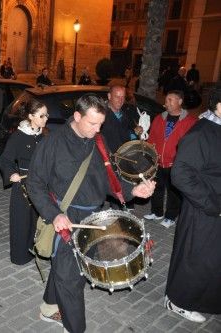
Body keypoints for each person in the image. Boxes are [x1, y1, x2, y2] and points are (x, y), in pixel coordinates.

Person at [26, 94, 155, 332]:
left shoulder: (98, 140)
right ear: (77, 116)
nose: (97, 129)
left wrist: (134, 190)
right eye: (92, 123)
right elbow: (34, 183)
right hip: (66, 217)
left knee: (68, 269)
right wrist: (54, 214)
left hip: (94, 216)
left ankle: (48, 307)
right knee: (72, 278)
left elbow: (108, 179)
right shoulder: (53, 143)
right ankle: (75, 327)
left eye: (100, 124)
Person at [164, 83, 221, 323]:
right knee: (194, 258)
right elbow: (180, 174)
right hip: (204, 210)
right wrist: (211, 205)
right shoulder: (201, 133)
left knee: (212, 260)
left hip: (214, 208)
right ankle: (178, 301)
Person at [0, 98, 48, 265]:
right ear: (31, 116)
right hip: (23, 184)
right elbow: (5, 160)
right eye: (42, 116)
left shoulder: (44, 135)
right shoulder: (18, 136)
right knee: (22, 220)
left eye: (46, 115)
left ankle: (36, 247)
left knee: (37, 217)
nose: (45, 119)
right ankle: (20, 254)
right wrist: (11, 173)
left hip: (41, 184)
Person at [144, 90, 197, 228]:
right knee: (156, 188)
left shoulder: (190, 121)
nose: (166, 103)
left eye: (170, 100)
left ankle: (170, 217)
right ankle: (157, 212)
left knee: (174, 192)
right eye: (166, 100)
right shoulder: (159, 118)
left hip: (176, 163)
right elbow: (152, 139)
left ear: (179, 102)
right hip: (158, 161)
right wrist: (151, 155)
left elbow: (192, 145)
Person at [100, 85, 142, 210]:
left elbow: (128, 132)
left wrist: (136, 131)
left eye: (123, 97)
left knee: (121, 188)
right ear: (109, 97)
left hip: (123, 160)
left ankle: (122, 209)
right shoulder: (102, 114)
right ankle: (116, 213)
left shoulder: (124, 114)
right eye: (117, 97)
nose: (120, 100)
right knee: (113, 188)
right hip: (107, 159)